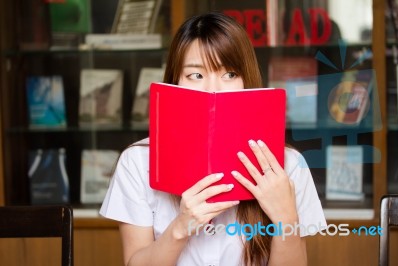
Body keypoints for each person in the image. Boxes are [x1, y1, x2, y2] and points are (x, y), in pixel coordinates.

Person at [100, 12, 326, 266]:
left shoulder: (287, 165)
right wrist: (181, 227)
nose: (213, 90)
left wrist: (287, 218)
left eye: (229, 74)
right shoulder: (137, 162)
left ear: (246, 80)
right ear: (175, 82)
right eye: (196, 75)